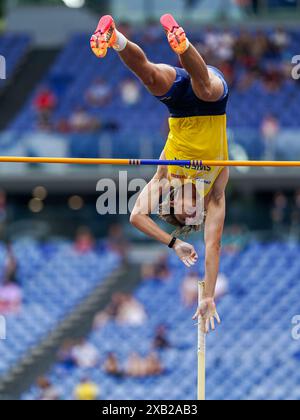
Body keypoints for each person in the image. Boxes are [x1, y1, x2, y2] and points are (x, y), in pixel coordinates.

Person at [91, 14, 229, 333]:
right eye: (194, 213)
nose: (191, 207)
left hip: (179, 110)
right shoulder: (216, 192)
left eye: (183, 210)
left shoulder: (165, 178)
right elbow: (214, 245)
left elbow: (137, 216)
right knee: (206, 87)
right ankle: (183, 43)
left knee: (151, 77)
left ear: (173, 204)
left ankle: (114, 38)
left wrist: (174, 244)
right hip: (212, 105)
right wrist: (207, 296)